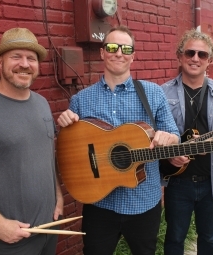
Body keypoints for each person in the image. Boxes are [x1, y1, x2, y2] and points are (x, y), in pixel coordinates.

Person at [56, 25, 180, 255]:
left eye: (125, 48)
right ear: (102, 52)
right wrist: (64, 124)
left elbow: (175, 136)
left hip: (144, 202)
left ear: (133, 55)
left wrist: (168, 137)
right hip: (99, 204)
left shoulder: (153, 93)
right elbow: (68, 148)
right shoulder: (81, 100)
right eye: (112, 47)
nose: (118, 53)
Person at [0, 27, 64, 255]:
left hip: (48, 229)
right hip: (10, 240)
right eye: (16, 56)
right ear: (0, 63)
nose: (24, 64)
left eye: (31, 58)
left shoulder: (42, 103)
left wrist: (58, 196)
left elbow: (45, 156)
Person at [161, 29, 213, 255]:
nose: (195, 58)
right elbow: (153, 134)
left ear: (210, 60)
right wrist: (169, 153)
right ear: (180, 56)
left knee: (208, 238)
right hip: (178, 182)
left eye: (202, 55)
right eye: (190, 53)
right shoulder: (162, 93)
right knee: (174, 238)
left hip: (212, 181)